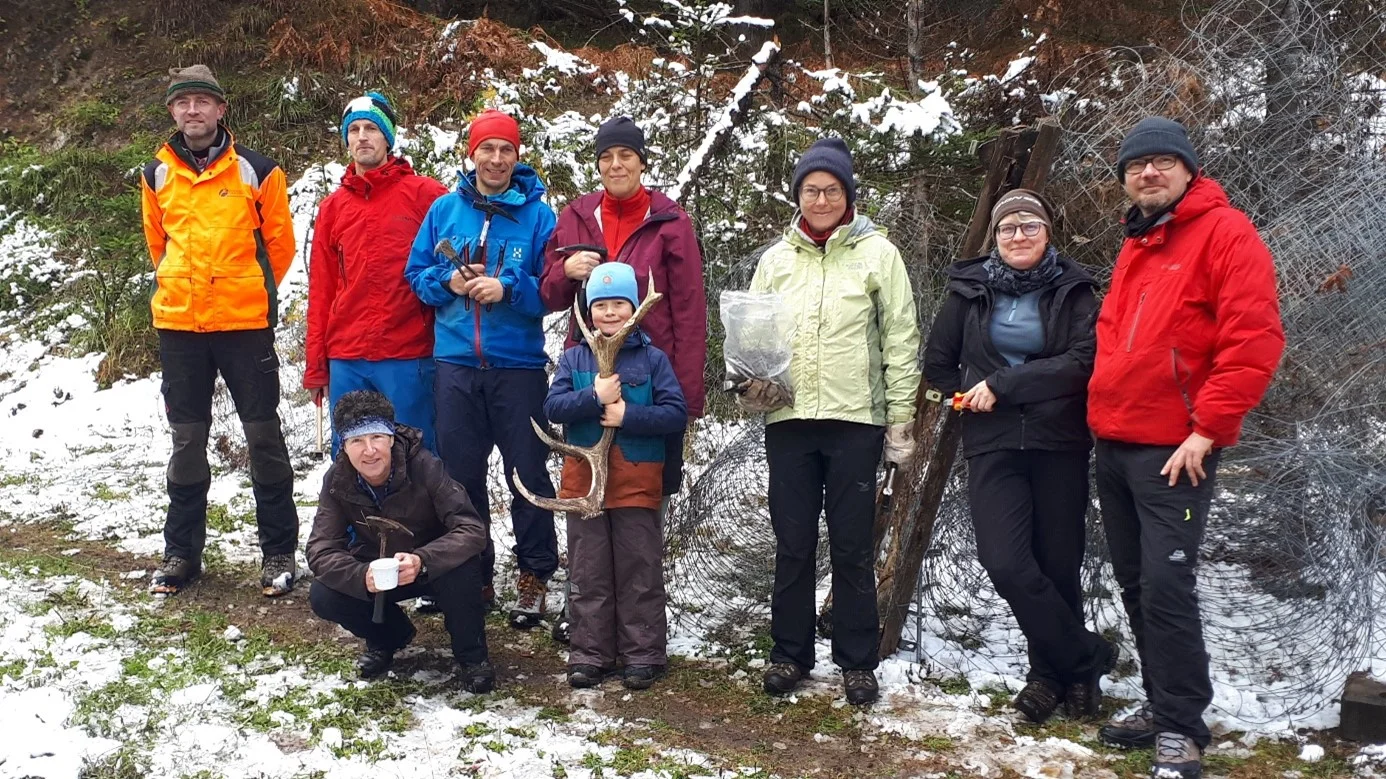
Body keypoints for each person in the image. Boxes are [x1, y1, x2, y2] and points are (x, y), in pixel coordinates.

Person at [1089, 117, 1284, 779]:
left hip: (1176, 449)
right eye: (1136, 166)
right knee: (1139, 583)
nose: (1149, 173)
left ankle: (1181, 729)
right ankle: (1160, 701)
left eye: (1163, 162)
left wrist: (1208, 429)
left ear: (1188, 170)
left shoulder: (1226, 234)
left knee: (1168, 585)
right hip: (1115, 442)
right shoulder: (1139, 242)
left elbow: (1253, 342)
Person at [923, 189, 1114, 724]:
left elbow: (1082, 362)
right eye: (1008, 228)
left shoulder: (1073, 289)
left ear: (1048, 232)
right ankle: (1084, 658)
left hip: (1060, 442)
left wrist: (1004, 383)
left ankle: (1049, 678)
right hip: (992, 444)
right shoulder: (968, 292)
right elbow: (937, 365)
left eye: (1030, 226)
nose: (1019, 236)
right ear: (995, 238)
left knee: (1058, 564)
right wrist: (967, 396)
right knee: (1006, 561)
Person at [743, 138, 921, 705]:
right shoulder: (776, 260)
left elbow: (900, 336)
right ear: (797, 195)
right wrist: (749, 381)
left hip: (854, 420)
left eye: (832, 190)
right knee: (793, 542)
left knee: (850, 545)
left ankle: (857, 660)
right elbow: (752, 336)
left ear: (848, 196)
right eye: (811, 190)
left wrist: (899, 419)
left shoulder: (877, 256)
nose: (821, 199)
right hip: (790, 419)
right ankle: (789, 653)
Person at [140, 65, 298, 597]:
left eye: (202, 102)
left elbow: (280, 247)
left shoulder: (258, 170)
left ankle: (278, 551)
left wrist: (247, 289)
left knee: (263, 436)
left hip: (244, 324)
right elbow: (157, 246)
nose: (192, 111)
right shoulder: (155, 173)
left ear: (220, 109)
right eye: (182, 103)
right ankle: (182, 553)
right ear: (172, 112)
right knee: (187, 441)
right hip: (180, 326)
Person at [404, 109, 559, 630]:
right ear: (471, 155)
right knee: (458, 478)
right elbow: (416, 272)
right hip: (454, 367)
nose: (496, 159)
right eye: (487, 149)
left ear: (518, 157)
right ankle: (474, 572)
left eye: (506, 150)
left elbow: (556, 290)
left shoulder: (540, 218)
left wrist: (509, 289)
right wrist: (446, 283)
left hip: (517, 368)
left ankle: (535, 577)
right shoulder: (445, 211)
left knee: (528, 475)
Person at [540, 116, 707, 501]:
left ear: (642, 162)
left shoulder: (670, 222)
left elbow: (689, 311)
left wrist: (684, 397)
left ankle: (645, 561)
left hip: (650, 379)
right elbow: (549, 296)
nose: (616, 164)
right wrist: (565, 271)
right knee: (590, 482)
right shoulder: (576, 217)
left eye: (626, 154)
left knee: (646, 489)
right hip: (588, 379)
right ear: (598, 164)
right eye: (607, 156)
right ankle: (593, 561)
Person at [543, 263, 687, 691]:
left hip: (636, 482)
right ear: (588, 312)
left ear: (636, 307)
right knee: (589, 571)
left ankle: (642, 653)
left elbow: (675, 413)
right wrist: (593, 397)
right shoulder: (574, 358)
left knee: (638, 567)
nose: (609, 313)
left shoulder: (653, 359)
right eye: (600, 305)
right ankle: (590, 653)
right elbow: (553, 408)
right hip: (584, 484)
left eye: (618, 304)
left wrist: (629, 414)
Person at [305, 391, 494, 693]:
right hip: (377, 570)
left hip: (431, 566)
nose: (369, 451)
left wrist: (423, 560)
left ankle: (473, 657)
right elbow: (320, 548)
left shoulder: (425, 466)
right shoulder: (338, 479)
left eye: (377, 437)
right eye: (356, 441)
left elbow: (471, 529)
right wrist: (360, 576)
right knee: (324, 593)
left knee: (464, 568)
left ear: (392, 438)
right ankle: (387, 638)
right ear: (344, 446)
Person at [305, 93, 448, 455]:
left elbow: (452, 264)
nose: (362, 137)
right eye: (353, 130)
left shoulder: (426, 195)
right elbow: (321, 288)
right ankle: (356, 516)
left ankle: (417, 515)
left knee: (414, 452)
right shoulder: (332, 208)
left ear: (388, 138)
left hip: (408, 351)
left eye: (371, 128)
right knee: (353, 455)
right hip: (348, 355)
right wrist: (316, 367)